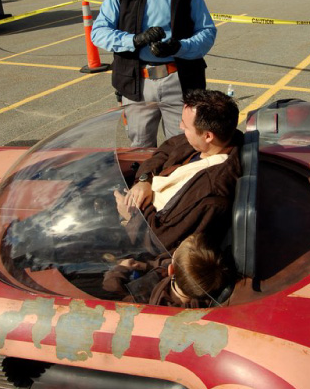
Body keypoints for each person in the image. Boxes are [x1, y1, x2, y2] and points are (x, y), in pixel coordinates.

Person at [91, 0, 217, 148]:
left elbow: (207, 33)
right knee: (140, 150)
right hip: (137, 84)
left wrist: (180, 47)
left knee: (182, 149)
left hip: (178, 83)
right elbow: (99, 31)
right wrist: (134, 40)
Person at [115, 89, 243, 252]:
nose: (180, 127)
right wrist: (144, 180)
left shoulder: (209, 192)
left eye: (186, 125)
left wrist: (131, 215)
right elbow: (167, 149)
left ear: (208, 136)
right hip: (140, 202)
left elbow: (161, 240)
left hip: (140, 237)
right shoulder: (208, 143)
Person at [103, 232, 237, 307]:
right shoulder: (205, 296)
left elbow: (111, 289)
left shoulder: (152, 298)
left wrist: (121, 269)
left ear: (171, 271)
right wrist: (146, 266)